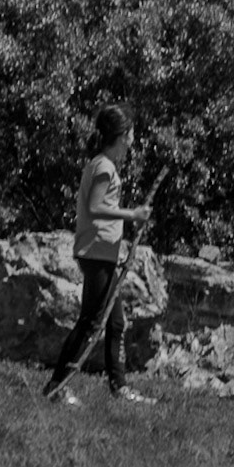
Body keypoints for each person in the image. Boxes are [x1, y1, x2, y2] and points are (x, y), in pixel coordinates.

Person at [43, 103, 155, 406]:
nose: (133, 139)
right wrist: (132, 214)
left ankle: (119, 387)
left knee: (115, 322)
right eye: (132, 133)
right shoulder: (104, 167)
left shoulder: (102, 164)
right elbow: (95, 207)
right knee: (91, 322)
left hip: (102, 253)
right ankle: (57, 385)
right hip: (96, 253)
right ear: (122, 134)